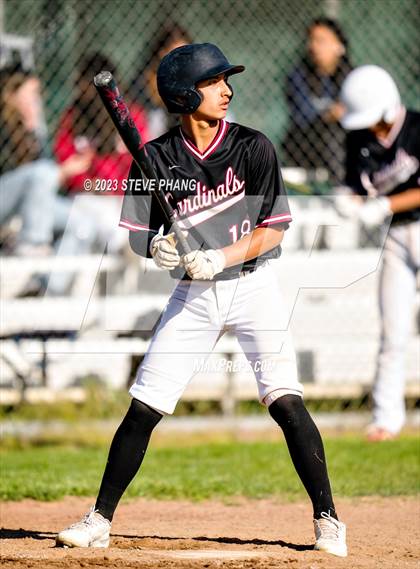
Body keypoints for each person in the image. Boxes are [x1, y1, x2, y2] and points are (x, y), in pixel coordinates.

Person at [56, 43, 347, 557]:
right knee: (144, 406)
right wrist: (160, 248)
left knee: (285, 400)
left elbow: (273, 230)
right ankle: (99, 519)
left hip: (253, 287)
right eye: (213, 82)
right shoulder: (155, 159)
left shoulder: (253, 147)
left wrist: (220, 256)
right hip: (193, 296)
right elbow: (139, 237)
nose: (226, 90)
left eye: (225, 81)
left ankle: (328, 520)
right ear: (184, 94)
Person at [339, 65, 420, 441]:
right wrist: (347, 201)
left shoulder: (417, 128)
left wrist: (386, 204)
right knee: (393, 331)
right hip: (395, 237)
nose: (371, 128)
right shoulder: (359, 139)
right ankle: (386, 418)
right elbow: (357, 187)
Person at [0, 66, 91, 257]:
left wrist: (30, 130)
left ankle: (51, 276)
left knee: (82, 223)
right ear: (11, 95)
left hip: (24, 207)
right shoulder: (3, 125)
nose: (38, 100)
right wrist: (63, 171)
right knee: (44, 172)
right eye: (32, 93)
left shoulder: (32, 132)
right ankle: (32, 245)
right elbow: (30, 175)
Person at [282, 17, 352, 183]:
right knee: (331, 132)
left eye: (321, 41)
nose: (313, 46)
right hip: (307, 144)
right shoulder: (299, 76)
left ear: (339, 46)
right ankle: (340, 183)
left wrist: (342, 113)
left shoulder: (351, 76)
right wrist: (333, 112)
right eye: (311, 40)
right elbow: (303, 115)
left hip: (345, 143)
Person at [129, 22, 192, 140]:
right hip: (150, 131)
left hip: (179, 131)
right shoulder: (145, 79)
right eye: (177, 54)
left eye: (186, 56)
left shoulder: (192, 78)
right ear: (162, 53)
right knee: (156, 118)